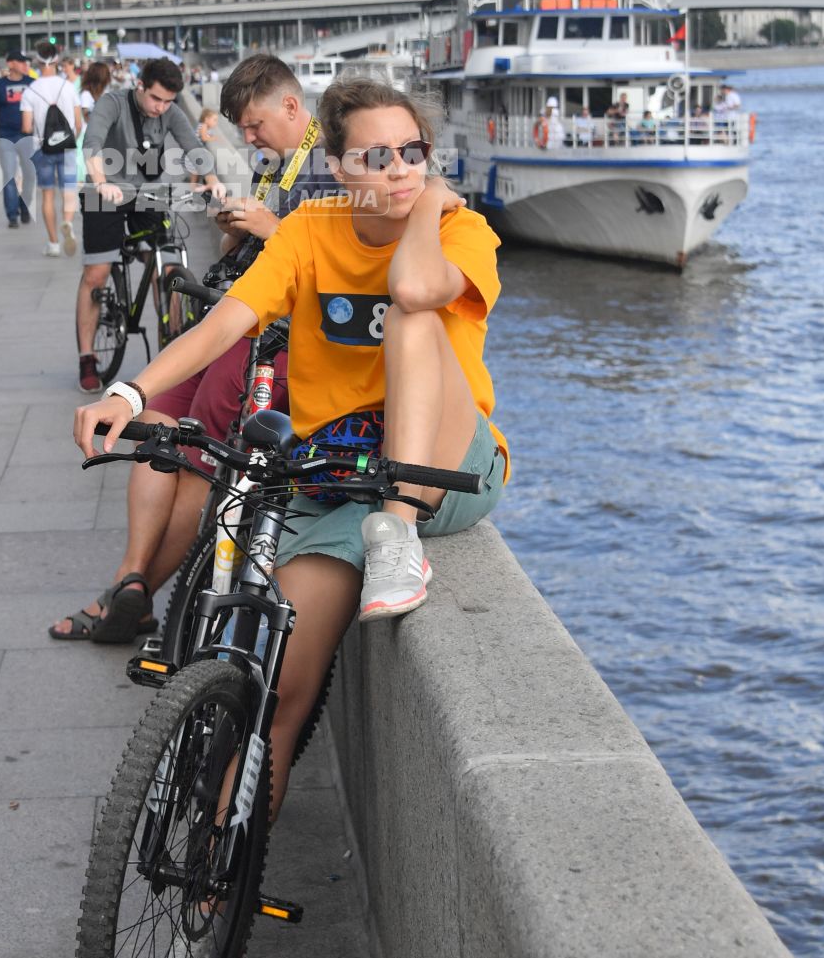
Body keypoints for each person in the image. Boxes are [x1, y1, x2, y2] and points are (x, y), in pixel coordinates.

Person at [76, 75, 507, 828]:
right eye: (377, 156)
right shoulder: (312, 228)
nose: (401, 169)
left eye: (414, 152)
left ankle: (398, 530)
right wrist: (131, 394)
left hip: (443, 465)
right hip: (339, 469)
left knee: (410, 317)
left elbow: (412, 287)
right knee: (280, 693)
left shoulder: (462, 232)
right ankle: (215, 878)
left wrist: (431, 205)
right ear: (337, 168)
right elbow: (227, 324)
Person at [51, 52, 334, 642]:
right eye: (243, 132)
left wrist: (270, 231)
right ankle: (130, 582)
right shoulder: (279, 159)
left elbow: (342, 275)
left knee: (193, 458)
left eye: (255, 126)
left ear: (291, 104)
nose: (249, 138)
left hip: (266, 338)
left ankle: (131, 597)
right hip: (227, 320)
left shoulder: (332, 169)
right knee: (155, 423)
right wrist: (236, 224)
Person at [75, 56, 224, 394]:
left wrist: (213, 180)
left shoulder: (170, 112)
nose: (161, 107)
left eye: (169, 101)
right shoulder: (112, 103)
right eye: (156, 98)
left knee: (165, 264)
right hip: (106, 191)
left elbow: (194, 146)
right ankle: (87, 355)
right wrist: (100, 182)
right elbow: (93, 143)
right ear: (140, 86)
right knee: (95, 274)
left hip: (146, 193)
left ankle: (173, 348)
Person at [21, 41, 82, 258]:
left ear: (37, 61)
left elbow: (26, 127)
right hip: (67, 148)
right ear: (57, 60)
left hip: (42, 149)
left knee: (48, 194)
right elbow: (78, 122)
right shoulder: (68, 87)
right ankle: (67, 222)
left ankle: (54, 243)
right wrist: (69, 139)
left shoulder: (30, 91)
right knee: (68, 191)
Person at [0, 50, 35, 231]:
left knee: (29, 174)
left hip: (27, 136)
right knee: (9, 176)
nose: (24, 65)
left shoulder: (31, 83)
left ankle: (24, 204)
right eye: (20, 62)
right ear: (11, 64)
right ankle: (12, 214)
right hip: (6, 136)